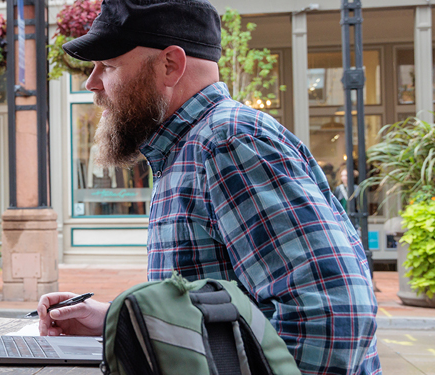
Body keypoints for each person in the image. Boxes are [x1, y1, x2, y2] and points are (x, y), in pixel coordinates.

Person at [35, 1, 380, 374]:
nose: (92, 82)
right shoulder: (186, 149)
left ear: (170, 64)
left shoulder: (228, 142)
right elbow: (225, 316)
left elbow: (335, 317)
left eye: (109, 65)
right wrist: (116, 321)